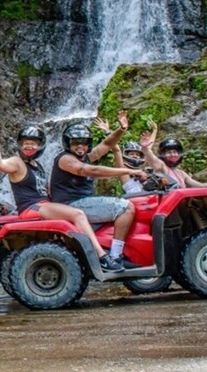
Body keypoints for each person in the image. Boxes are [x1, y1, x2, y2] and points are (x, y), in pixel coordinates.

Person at [0, 123, 115, 269]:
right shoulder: (17, 162)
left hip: (43, 205)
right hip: (32, 207)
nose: (29, 147)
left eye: (33, 144)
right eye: (26, 143)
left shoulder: (38, 166)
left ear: (40, 146)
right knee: (78, 214)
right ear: (20, 145)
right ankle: (102, 257)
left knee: (78, 212)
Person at [48, 111, 147, 271]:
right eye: (76, 142)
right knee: (126, 207)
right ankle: (114, 256)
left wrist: (121, 129)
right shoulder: (65, 159)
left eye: (84, 142)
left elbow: (107, 144)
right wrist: (128, 172)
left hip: (82, 203)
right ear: (68, 144)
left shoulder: (86, 156)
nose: (80, 146)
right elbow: (91, 171)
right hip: (71, 205)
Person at [140, 123, 207, 188]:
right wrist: (144, 148)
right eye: (169, 152)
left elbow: (200, 186)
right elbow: (151, 158)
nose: (173, 154)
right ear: (162, 154)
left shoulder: (181, 173)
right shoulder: (162, 167)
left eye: (175, 151)